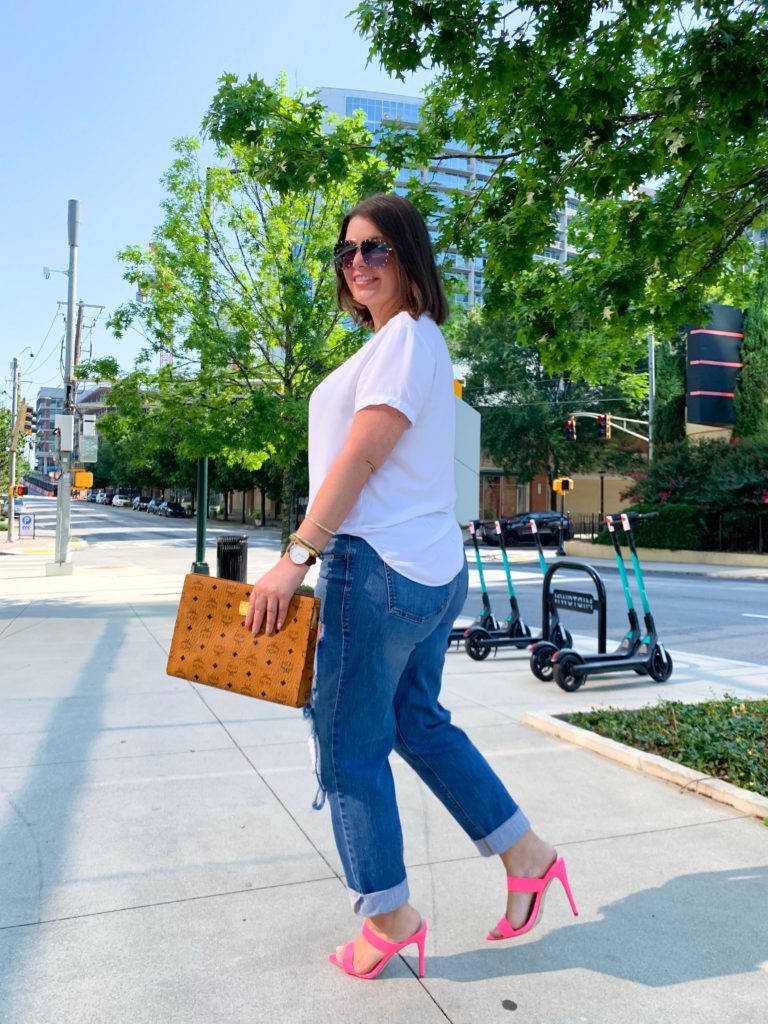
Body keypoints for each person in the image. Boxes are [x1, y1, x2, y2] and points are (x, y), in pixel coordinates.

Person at [245, 193, 577, 981]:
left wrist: (295, 557)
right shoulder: (411, 344)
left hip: (376, 569)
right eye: (347, 252)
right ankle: (527, 855)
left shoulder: (403, 341)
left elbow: (360, 459)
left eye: (376, 249)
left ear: (410, 258)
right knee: (418, 724)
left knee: (347, 745)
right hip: (430, 568)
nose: (358, 263)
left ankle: (388, 913)